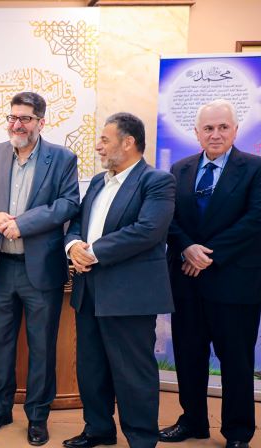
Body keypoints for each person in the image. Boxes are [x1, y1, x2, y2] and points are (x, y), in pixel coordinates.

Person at [0, 91, 79, 446]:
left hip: (40, 270)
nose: (17, 124)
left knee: (42, 347)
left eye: (25, 119)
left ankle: (37, 416)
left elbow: (68, 204)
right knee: (0, 345)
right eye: (12, 117)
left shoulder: (61, 158)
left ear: (41, 122)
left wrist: (24, 224)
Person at [63, 112, 175, 448]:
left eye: (104, 140)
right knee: (91, 368)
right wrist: (73, 246)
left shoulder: (156, 181)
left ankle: (141, 439)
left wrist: (93, 252)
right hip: (89, 290)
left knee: (133, 373)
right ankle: (98, 429)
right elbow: (77, 223)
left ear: (128, 143)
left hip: (130, 294)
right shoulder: (99, 182)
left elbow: (148, 230)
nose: (98, 146)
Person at [160, 99, 261, 448]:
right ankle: (193, 421)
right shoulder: (179, 169)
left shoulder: (255, 168)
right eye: (208, 128)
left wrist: (206, 255)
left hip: (235, 283)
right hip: (186, 281)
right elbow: (167, 217)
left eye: (222, 127)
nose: (215, 134)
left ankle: (238, 432)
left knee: (236, 361)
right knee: (188, 356)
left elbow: (255, 220)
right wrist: (187, 247)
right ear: (197, 132)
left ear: (235, 130)